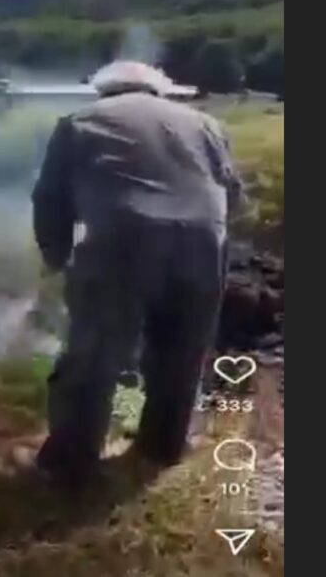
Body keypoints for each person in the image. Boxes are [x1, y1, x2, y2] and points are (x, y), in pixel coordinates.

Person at [31, 61, 246, 484]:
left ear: (104, 92)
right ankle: (161, 451)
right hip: (204, 241)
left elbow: (50, 199)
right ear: (160, 92)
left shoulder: (78, 123)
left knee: (96, 352)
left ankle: (70, 465)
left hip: (123, 239)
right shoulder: (206, 123)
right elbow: (233, 195)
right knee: (182, 353)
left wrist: (56, 257)